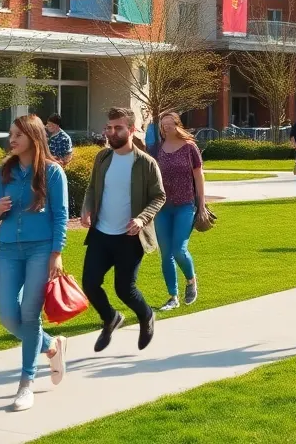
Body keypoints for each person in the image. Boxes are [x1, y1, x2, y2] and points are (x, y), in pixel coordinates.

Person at [0, 115, 69, 411]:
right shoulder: (4, 171)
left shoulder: (52, 172)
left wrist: (56, 254)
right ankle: (50, 346)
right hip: (8, 249)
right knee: (7, 316)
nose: (12, 140)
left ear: (33, 137)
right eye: (10, 134)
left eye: (17, 134)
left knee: (30, 316)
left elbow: (60, 216)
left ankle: (26, 383)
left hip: (40, 251)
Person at [80, 107, 166, 353]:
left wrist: (142, 219)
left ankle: (147, 315)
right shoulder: (102, 158)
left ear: (131, 129)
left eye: (118, 128)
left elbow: (159, 197)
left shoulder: (146, 163)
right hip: (101, 234)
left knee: (124, 289)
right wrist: (87, 208)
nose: (111, 132)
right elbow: (92, 189)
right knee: (90, 283)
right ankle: (110, 318)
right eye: (109, 127)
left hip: (130, 237)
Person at [150, 111, 207, 310]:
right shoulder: (158, 148)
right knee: (166, 254)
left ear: (177, 125)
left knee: (179, 250)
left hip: (186, 205)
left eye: (170, 124)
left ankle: (191, 281)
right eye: (163, 125)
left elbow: (199, 176)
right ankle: (172, 297)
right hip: (163, 208)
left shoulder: (190, 147)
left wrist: (201, 203)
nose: (166, 127)